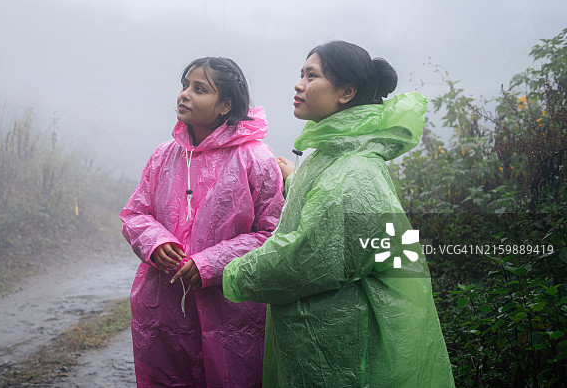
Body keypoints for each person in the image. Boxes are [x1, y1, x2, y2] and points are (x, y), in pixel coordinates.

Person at [223, 41, 455, 387]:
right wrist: (293, 181)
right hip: (326, 339)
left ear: (346, 92)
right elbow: (328, 209)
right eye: (301, 74)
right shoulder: (335, 155)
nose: (299, 84)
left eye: (311, 76)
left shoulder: (353, 169)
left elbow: (308, 256)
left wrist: (231, 273)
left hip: (343, 348)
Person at [121, 56, 285, 387]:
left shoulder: (255, 158)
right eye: (185, 86)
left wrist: (210, 263)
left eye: (199, 89)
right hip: (165, 306)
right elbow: (135, 213)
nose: (185, 94)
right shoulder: (164, 155)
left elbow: (272, 233)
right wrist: (156, 242)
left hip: (231, 309)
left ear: (225, 105)